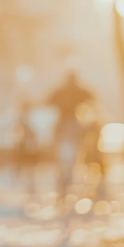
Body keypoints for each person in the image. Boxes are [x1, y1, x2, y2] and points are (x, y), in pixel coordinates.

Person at [49, 71, 94, 199]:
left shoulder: (59, 92)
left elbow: (48, 102)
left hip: (63, 125)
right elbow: (93, 101)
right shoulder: (79, 91)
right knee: (73, 156)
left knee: (64, 157)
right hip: (72, 125)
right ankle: (67, 180)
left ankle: (64, 181)